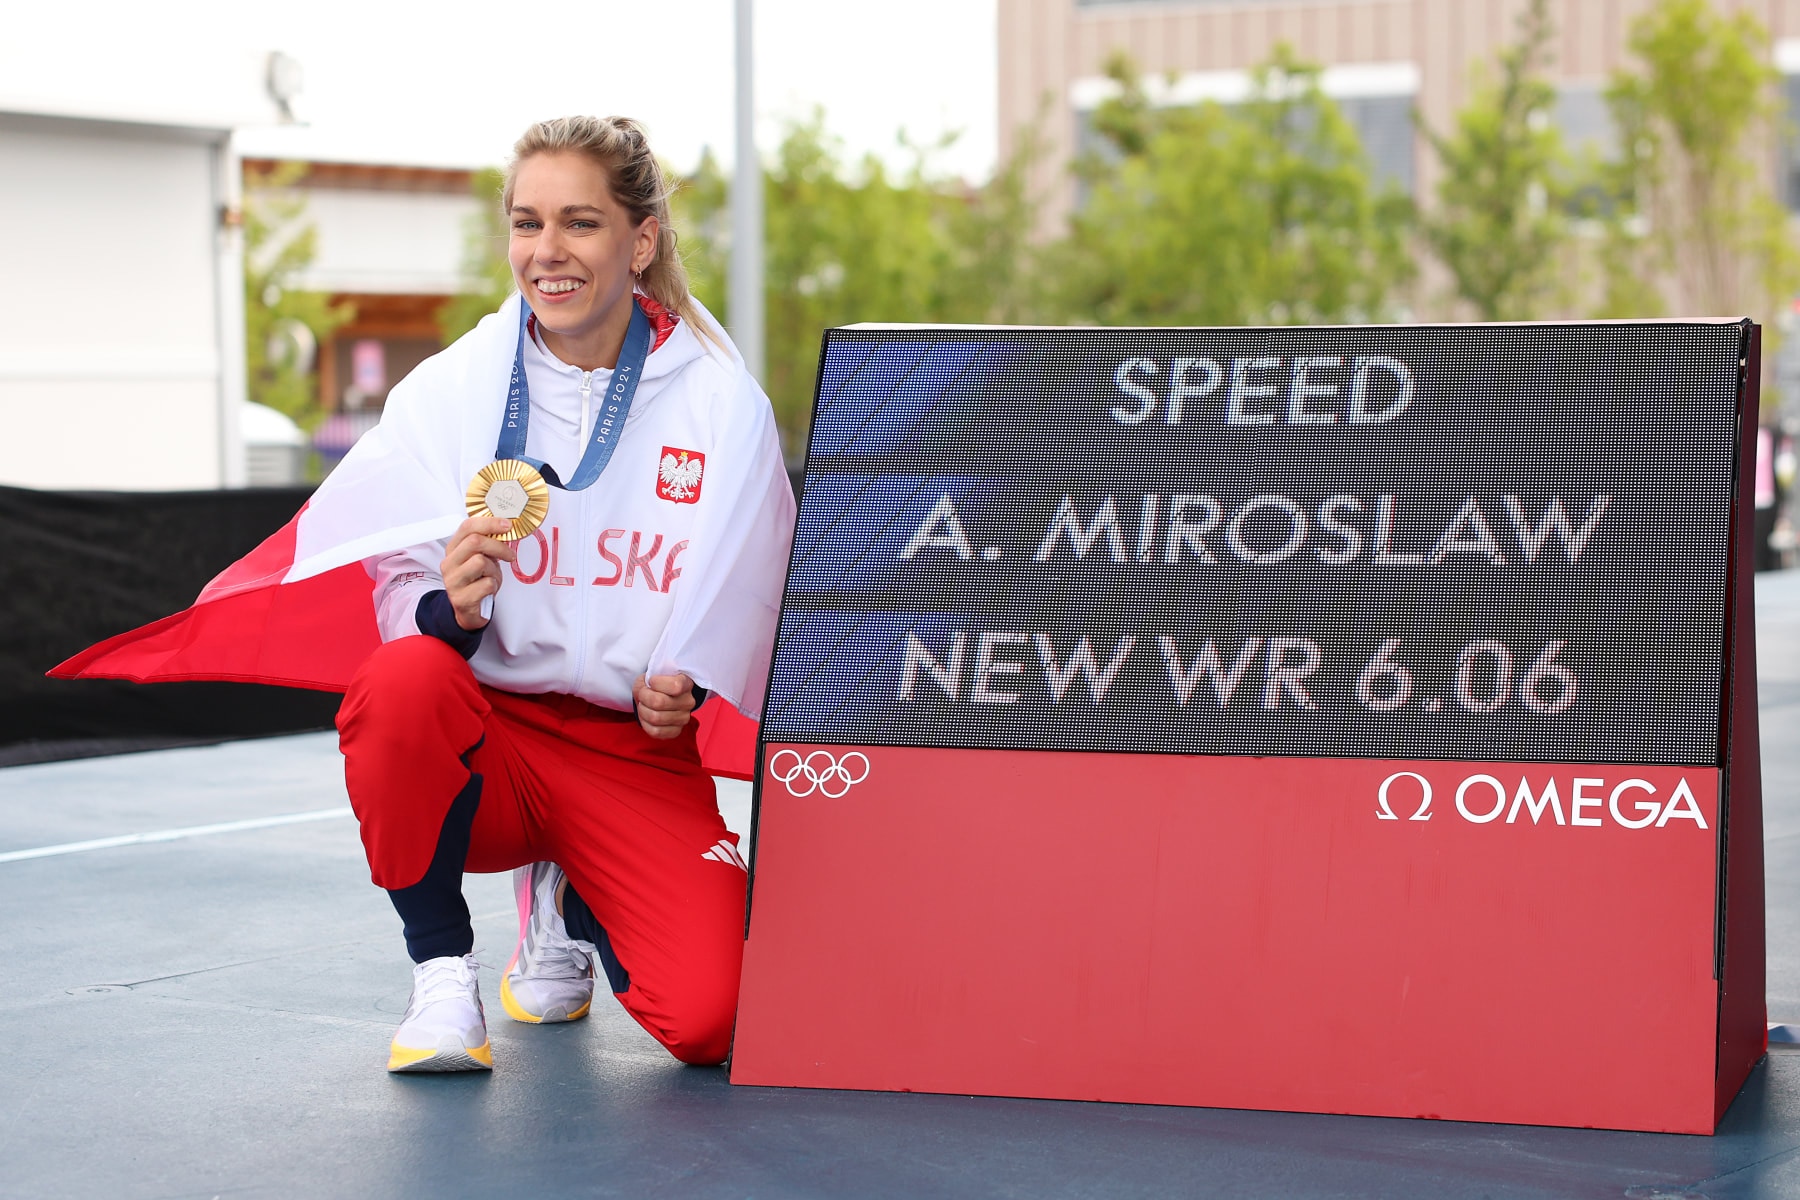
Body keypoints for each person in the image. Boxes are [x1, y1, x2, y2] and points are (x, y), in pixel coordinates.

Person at [331, 115, 794, 1072]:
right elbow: (397, 591)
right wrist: (446, 609)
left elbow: (748, 591)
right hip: (492, 733)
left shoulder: (719, 402)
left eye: (580, 223)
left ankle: (569, 894)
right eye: (526, 223)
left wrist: (689, 682)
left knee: (715, 1021)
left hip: (632, 753)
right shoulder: (449, 390)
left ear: (642, 240)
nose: (547, 253)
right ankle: (443, 973)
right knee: (404, 680)